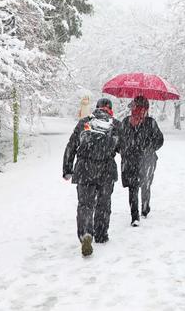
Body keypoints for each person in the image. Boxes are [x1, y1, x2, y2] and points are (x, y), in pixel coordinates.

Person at [63, 98, 119, 257]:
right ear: (110, 109)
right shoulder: (115, 124)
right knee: (103, 204)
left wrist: (67, 168)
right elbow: (124, 148)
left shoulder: (84, 123)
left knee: (85, 205)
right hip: (106, 171)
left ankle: (85, 233)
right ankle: (101, 235)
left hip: (84, 170)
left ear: (96, 108)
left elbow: (71, 145)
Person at [117, 95, 164, 227]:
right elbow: (159, 140)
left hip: (134, 160)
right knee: (144, 185)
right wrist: (149, 149)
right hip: (143, 160)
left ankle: (136, 214)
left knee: (135, 187)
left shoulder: (128, 122)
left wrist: (124, 151)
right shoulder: (148, 122)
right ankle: (142, 210)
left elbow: (119, 142)